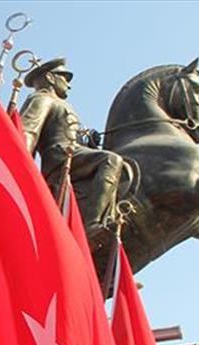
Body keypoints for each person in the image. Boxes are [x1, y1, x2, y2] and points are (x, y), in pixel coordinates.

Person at [19, 57, 126, 228]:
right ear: (50, 78)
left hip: (72, 151)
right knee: (111, 160)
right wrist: (20, 167)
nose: (68, 85)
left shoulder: (62, 104)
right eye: (64, 78)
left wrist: (88, 144)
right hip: (59, 156)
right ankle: (92, 224)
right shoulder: (42, 99)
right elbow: (28, 130)